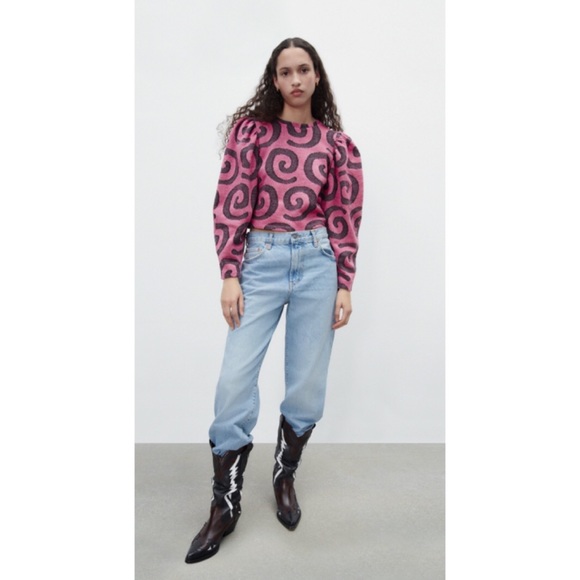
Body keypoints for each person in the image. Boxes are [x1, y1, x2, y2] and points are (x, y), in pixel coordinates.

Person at [185, 37, 364, 564]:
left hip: (318, 262)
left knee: (307, 383)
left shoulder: (337, 145)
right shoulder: (252, 133)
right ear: (274, 79)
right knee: (234, 381)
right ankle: (225, 504)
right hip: (260, 261)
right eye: (285, 72)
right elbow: (230, 200)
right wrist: (230, 273)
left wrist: (345, 282)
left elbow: (344, 215)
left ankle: (284, 474)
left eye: (303, 70)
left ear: (316, 75)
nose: (295, 80)